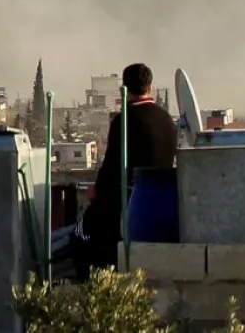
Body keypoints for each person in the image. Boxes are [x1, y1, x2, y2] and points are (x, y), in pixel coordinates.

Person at [76, 62, 179, 274]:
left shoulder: (124, 121)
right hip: (165, 203)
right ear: (150, 86)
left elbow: (112, 168)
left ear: (125, 88)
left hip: (129, 205)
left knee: (81, 236)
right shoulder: (167, 119)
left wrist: (95, 194)